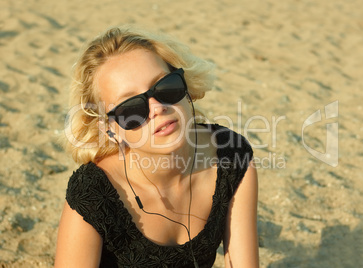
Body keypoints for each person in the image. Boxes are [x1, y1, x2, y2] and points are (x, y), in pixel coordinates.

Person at [55, 25, 259, 268]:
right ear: (109, 129)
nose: (158, 108)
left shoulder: (231, 156)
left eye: (166, 87)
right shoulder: (93, 195)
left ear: (186, 88)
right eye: (131, 108)